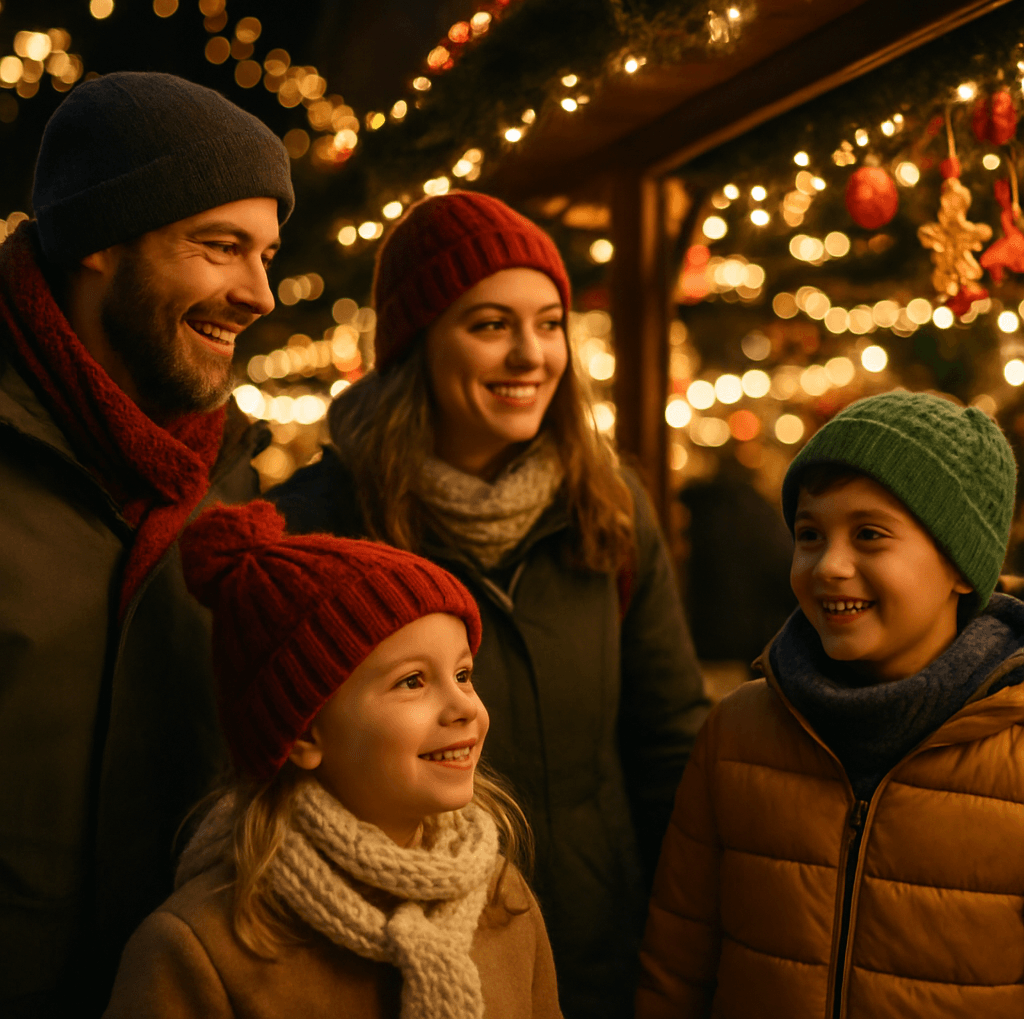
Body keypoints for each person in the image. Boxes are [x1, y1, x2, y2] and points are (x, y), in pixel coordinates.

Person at [270, 190, 709, 1018]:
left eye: (549, 324)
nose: (530, 356)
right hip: (392, 958)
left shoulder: (608, 507)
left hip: (598, 952)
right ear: (416, 344)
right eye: (490, 324)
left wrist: (685, 943)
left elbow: (667, 741)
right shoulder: (322, 526)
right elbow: (272, 777)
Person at [0, 72, 293, 1015]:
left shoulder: (228, 483)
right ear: (98, 242)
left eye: (267, 254)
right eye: (221, 247)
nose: (260, 293)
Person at [638, 391, 1024, 1019]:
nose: (829, 566)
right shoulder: (738, 734)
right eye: (810, 534)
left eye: (869, 535)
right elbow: (677, 968)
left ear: (960, 564)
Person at [102, 500, 563, 1019]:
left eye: (463, 674)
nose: (465, 708)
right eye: (413, 681)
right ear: (302, 733)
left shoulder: (503, 898)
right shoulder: (199, 948)